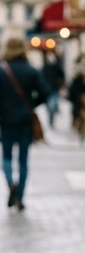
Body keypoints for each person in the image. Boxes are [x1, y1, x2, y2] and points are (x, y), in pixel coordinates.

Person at [0, 37, 48, 210]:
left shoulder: (2, 70)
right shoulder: (31, 71)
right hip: (25, 121)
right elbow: (45, 92)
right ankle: (20, 196)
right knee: (23, 160)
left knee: (6, 157)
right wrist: (31, 105)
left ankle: (11, 184)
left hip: (6, 120)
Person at [41, 49, 65, 127]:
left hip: (54, 87)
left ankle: (52, 118)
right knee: (49, 105)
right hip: (47, 88)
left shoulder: (57, 65)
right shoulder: (45, 66)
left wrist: (61, 85)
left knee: (53, 105)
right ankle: (50, 118)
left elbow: (61, 75)